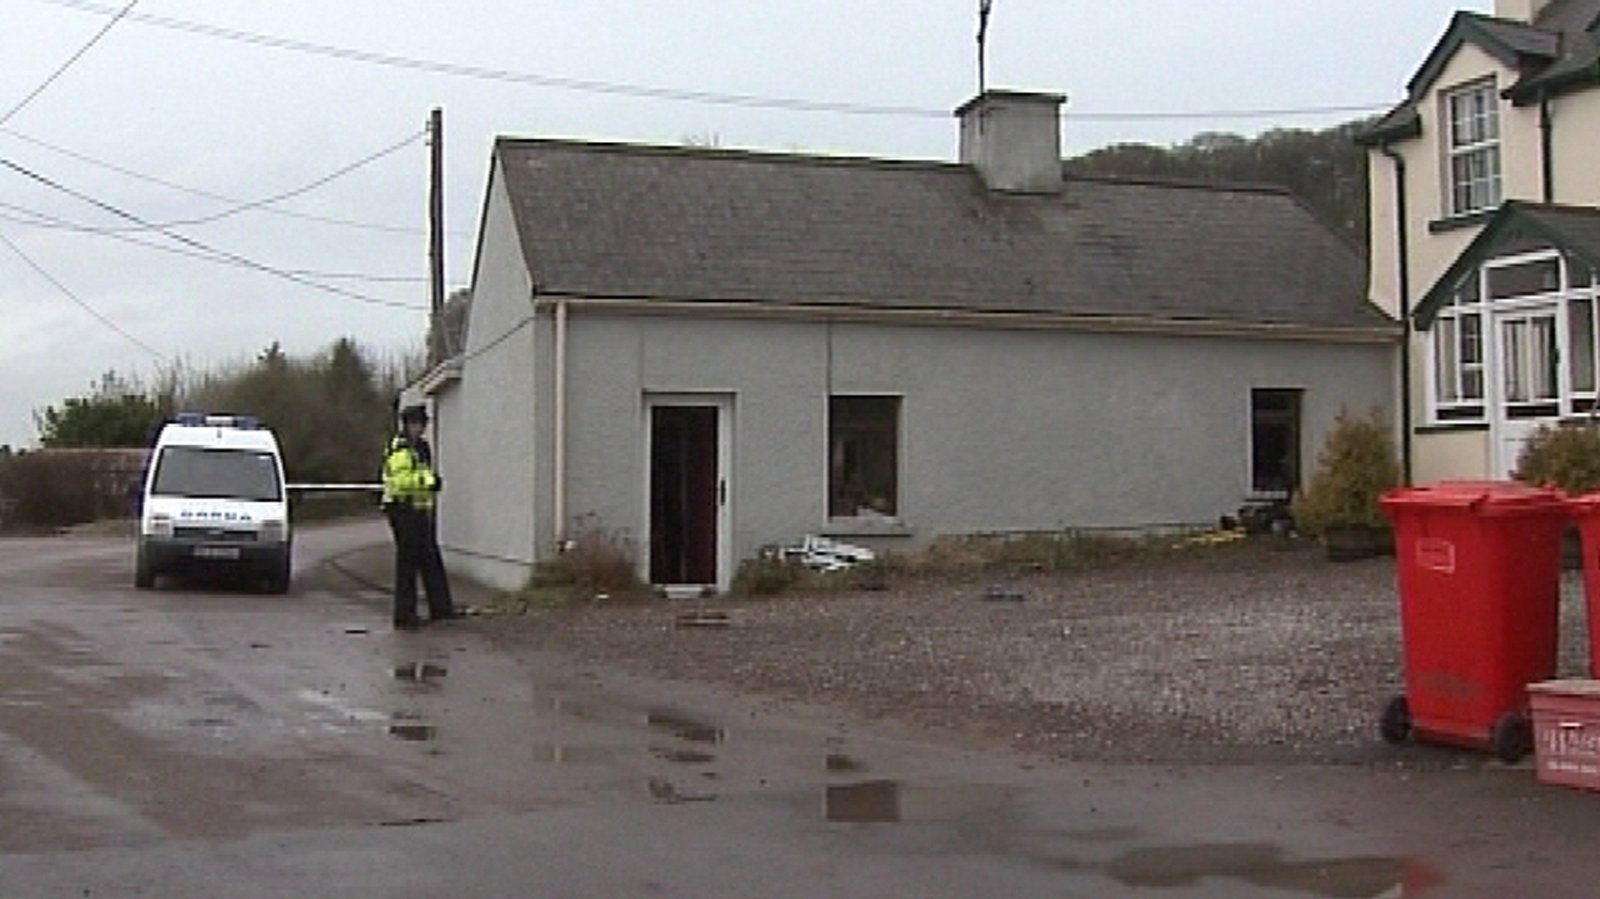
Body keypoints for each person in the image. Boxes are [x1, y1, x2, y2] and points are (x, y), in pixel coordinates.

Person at [381, 404, 454, 629]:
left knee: (430, 559)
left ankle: (441, 609)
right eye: (416, 425)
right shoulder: (400, 450)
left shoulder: (420, 448)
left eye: (422, 425)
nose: (420, 429)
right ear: (407, 425)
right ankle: (404, 615)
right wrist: (429, 483)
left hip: (419, 510)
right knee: (408, 563)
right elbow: (402, 482)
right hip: (403, 510)